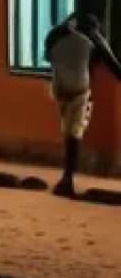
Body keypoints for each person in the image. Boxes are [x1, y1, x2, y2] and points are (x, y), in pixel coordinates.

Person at [44, 12, 121, 197]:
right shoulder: (91, 35)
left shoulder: (55, 34)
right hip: (79, 89)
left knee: (67, 131)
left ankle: (66, 178)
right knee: (75, 133)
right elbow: (114, 66)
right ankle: (67, 179)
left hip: (58, 88)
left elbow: (47, 57)